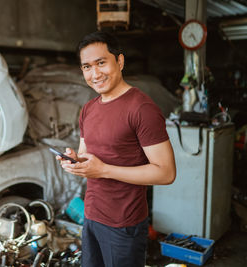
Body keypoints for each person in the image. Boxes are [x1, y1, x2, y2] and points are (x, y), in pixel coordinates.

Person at [56, 31, 176, 267]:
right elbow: (87, 156)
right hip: (91, 216)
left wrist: (103, 170)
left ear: (119, 61)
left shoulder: (141, 108)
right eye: (87, 67)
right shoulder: (88, 109)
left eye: (101, 63)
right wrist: (74, 160)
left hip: (124, 224)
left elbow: (166, 172)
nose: (95, 73)